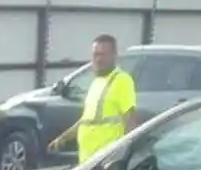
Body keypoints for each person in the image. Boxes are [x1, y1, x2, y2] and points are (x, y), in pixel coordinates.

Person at [51, 35, 137, 163]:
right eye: (95, 55)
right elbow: (86, 120)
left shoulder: (122, 81)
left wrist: (123, 157)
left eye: (103, 55)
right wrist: (63, 138)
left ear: (114, 56)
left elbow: (131, 121)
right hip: (87, 160)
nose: (98, 59)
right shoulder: (97, 82)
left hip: (105, 161)